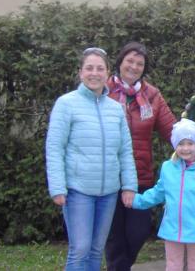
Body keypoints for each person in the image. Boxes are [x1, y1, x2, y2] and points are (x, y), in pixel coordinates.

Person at [45, 47, 138, 271]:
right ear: (80, 72)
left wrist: (129, 186)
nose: (94, 73)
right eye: (89, 68)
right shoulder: (66, 104)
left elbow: (125, 151)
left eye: (100, 68)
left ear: (107, 73)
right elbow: (55, 148)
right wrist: (57, 187)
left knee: (97, 249)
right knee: (80, 249)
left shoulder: (116, 109)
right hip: (79, 191)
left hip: (108, 193)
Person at [105, 41, 177, 271]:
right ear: (120, 62)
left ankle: (120, 267)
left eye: (139, 64)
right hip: (109, 176)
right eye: (130, 61)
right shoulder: (103, 91)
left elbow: (171, 129)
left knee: (138, 232)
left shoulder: (152, 96)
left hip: (140, 177)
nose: (134, 67)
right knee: (114, 236)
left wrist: (193, 144)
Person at [129, 118, 195, 271]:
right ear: (174, 145)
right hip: (172, 229)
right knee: (172, 266)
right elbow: (158, 193)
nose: (185, 148)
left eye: (190, 143)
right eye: (180, 144)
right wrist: (136, 200)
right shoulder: (168, 168)